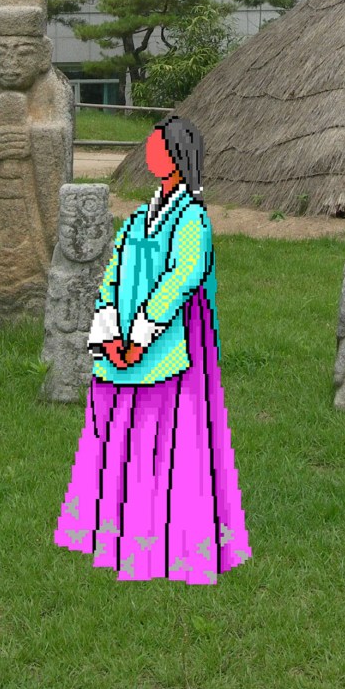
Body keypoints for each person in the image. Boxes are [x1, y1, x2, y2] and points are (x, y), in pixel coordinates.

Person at [54, 116, 251, 583]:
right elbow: (115, 273)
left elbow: (182, 278)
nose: (150, 153)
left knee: (171, 435)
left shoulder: (192, 219)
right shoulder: (140, 217)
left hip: (174, 340)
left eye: (158, 147)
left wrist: (142, 332)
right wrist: (109, 330)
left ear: (179, 158)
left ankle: (171, 536)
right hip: (125, 334)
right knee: (121, 431)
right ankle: (119, 525)